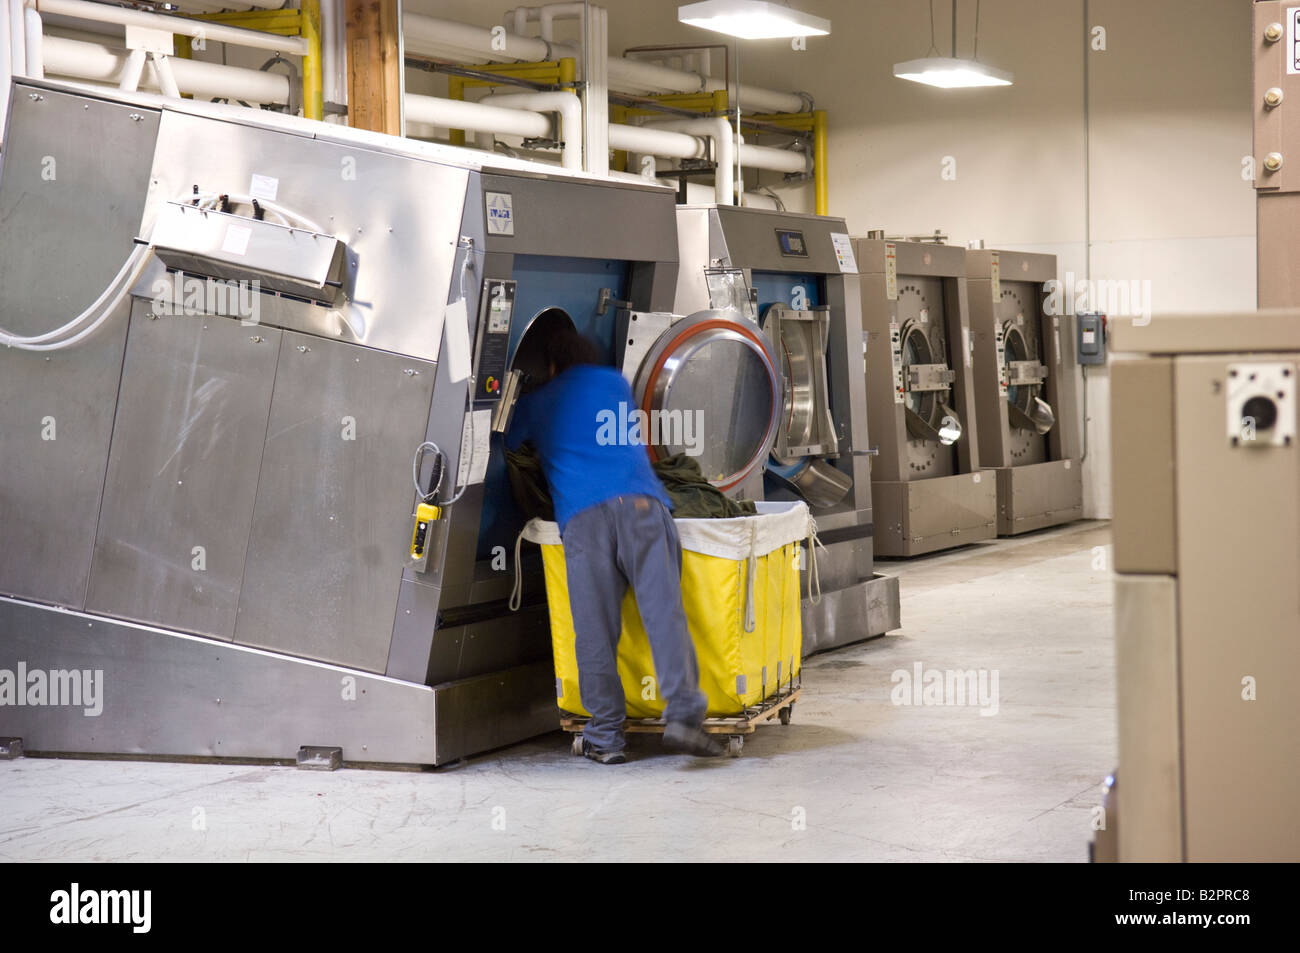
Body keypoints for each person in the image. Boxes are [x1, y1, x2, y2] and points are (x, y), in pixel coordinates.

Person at [505, 318, 723, 763]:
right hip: (641, 507)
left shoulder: (542, 400)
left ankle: (605, 739)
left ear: (551, 366)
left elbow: (506, 437)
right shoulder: (613, 382)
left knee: (594, 631)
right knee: (664, 615)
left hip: (585, 520)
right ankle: (683, 717)